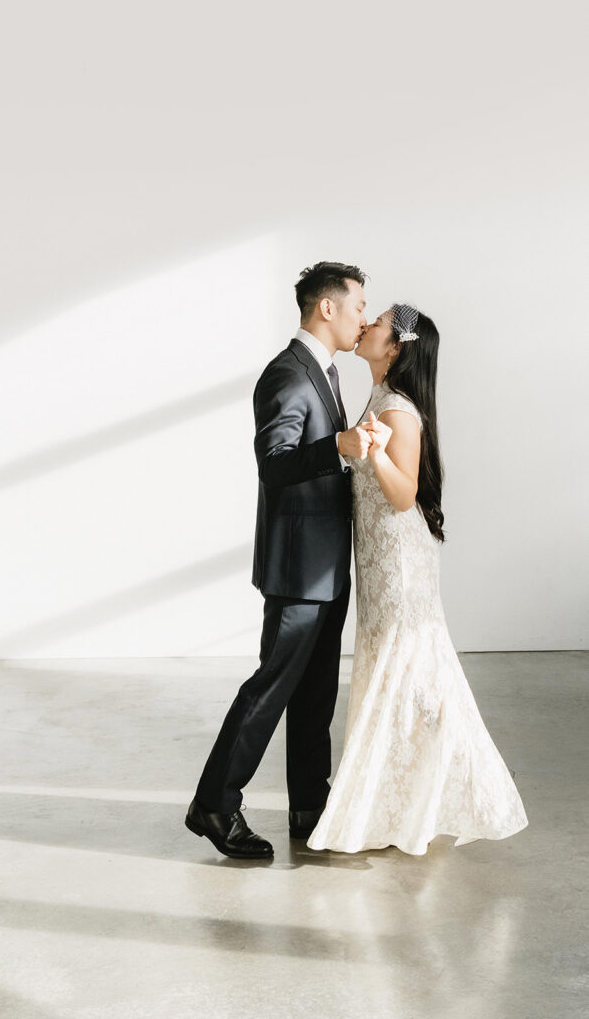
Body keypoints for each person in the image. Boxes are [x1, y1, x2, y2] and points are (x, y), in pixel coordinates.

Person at [307, 304, 529, 855]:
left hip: (399, 562)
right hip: (383, 557)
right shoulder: (381, 398)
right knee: (399, 670)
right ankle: (401, 799)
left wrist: (375, 451)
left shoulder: (398, 410)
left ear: (396, 346)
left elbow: (404, 494)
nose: (367, 325)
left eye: (378, 321)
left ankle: (470, 780)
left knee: (409, 669)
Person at [185, 261, 371, 858]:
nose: (363, 317)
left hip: (324, 567)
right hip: (298, 571)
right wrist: (337, 447)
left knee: (315, 697)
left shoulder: (326, 372)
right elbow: (276, 464)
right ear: (327, 308)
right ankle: (214, 803)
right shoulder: (288, 375)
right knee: (271, 687)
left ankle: (310, 809)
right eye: (358, 306)